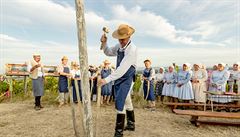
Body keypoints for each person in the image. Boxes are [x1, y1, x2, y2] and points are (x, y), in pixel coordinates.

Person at [99, 24, 137, 137]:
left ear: (129, 37)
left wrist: (106, 80)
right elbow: (108, 52)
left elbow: (122, 69)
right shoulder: (119, 46)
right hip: (120, 77)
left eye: (123, 39)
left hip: (127, 77)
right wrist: (104, 43)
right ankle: (131, 124)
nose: (121, 41)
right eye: (120, 39)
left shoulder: (132, 49)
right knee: (127, 100)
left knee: (120, 100)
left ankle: (118, 132)